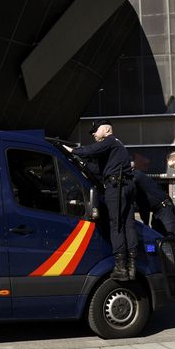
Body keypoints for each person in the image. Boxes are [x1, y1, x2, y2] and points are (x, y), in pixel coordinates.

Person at [64, 119, 137, 281]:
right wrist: (82, 162)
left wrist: (72, 151)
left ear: (106, 129)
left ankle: (120, 268)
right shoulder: (117, 146)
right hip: (126, 186)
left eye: (95, 131)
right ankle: (132, 267)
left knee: (116, 225)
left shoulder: (109, 141)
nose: (94, 135)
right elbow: (99, 170)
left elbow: (89, 151)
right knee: (128, 225)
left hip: (116, 186)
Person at [131, 162, 175, 236]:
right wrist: (146, 225)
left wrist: (145, 224)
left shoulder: (136, 176)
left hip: (165, 208)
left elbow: (143, 205)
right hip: (157, 211)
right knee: (156, 238)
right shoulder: (135, 179)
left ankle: (171, 246)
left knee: (169, 238)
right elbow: (143, 206)